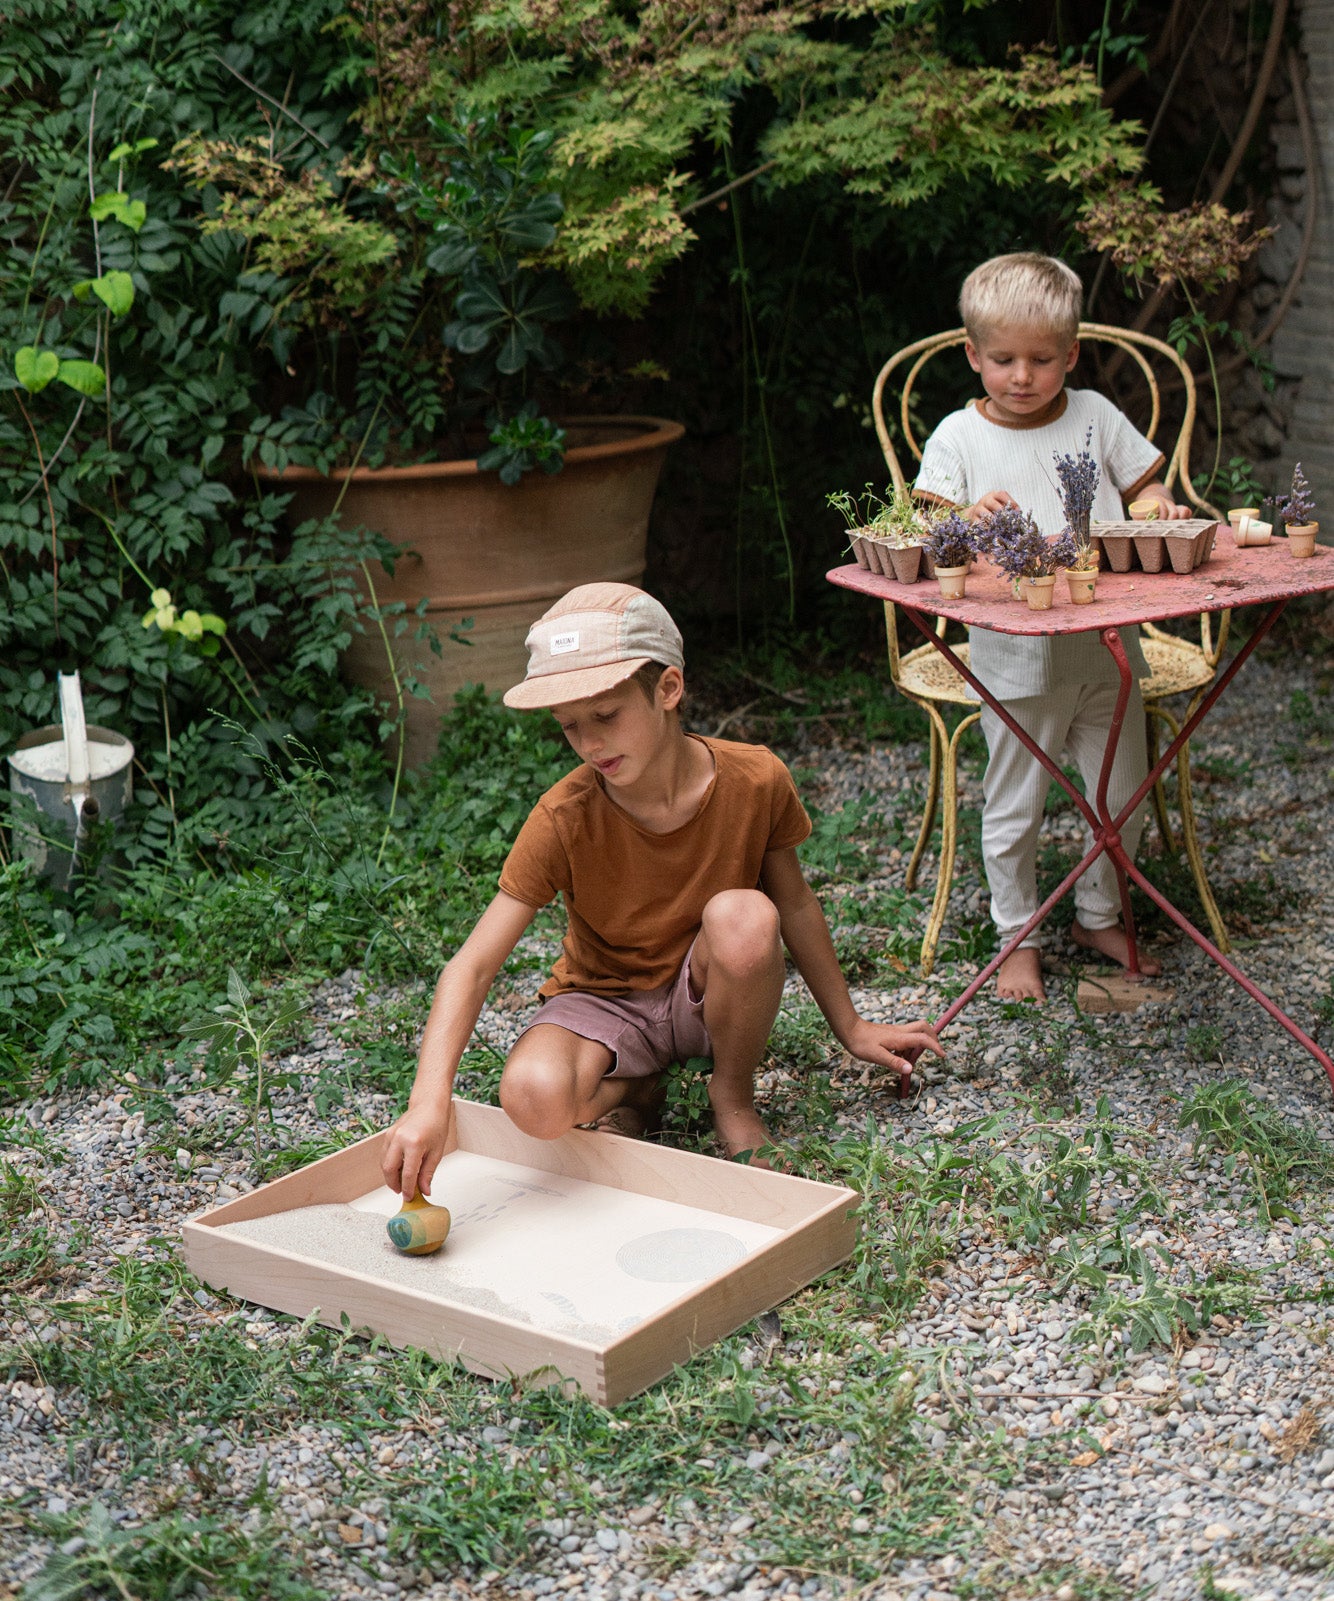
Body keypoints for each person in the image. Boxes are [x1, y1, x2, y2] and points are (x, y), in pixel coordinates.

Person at [382, 581, 943, 1200]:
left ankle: (730, 1095)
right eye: (570, 726)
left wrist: (852, 1026)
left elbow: (795, 905)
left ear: (668, 690)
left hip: (708, 992)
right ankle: (637, 1089)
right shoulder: (562, 816)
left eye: (606, 715)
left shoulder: (755, 779)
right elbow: (473, 963)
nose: (590, 742)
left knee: (746, 915)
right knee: (531, 1097)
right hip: (604, 1001)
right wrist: (427, 1103)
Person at [914, 251, 1190, 1004]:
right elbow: (929, 531)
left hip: (1108, 647)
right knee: (1016, 804)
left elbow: (1146, 483)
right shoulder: (958, 438)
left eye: (1043, 359)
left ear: (1071, 354)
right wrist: (964, 523)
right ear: (973, 356)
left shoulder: (1096, 415)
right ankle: (1019, 935)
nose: (1023, 376)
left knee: (1123, 791)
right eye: (1003, 359)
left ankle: (1098, 914)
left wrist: (1159, 504)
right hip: (1014, 657)